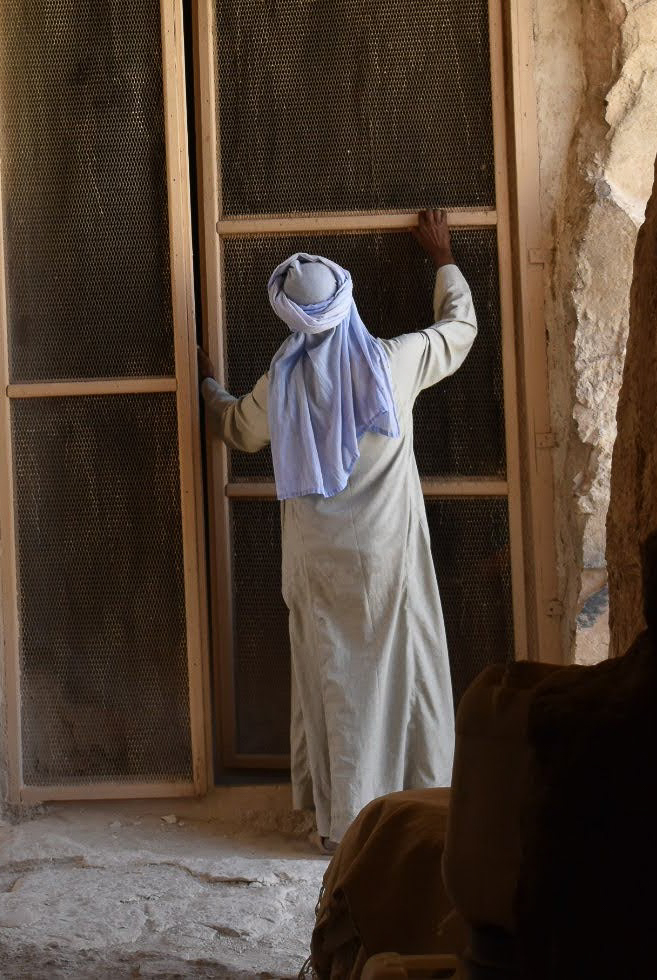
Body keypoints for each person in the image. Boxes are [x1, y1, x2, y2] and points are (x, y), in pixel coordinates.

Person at [198, 209, 477, 850]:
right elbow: (459, 330)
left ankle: (344, 824)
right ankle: (418, 809)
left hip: (316, 565)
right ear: (346, 299)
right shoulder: (391, 363)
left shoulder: (281, 385)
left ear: (289, 318)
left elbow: (236, 428)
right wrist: (443, 259)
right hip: (388, 561)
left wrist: (207, 384)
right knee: (401, 679)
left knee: (337, 685)